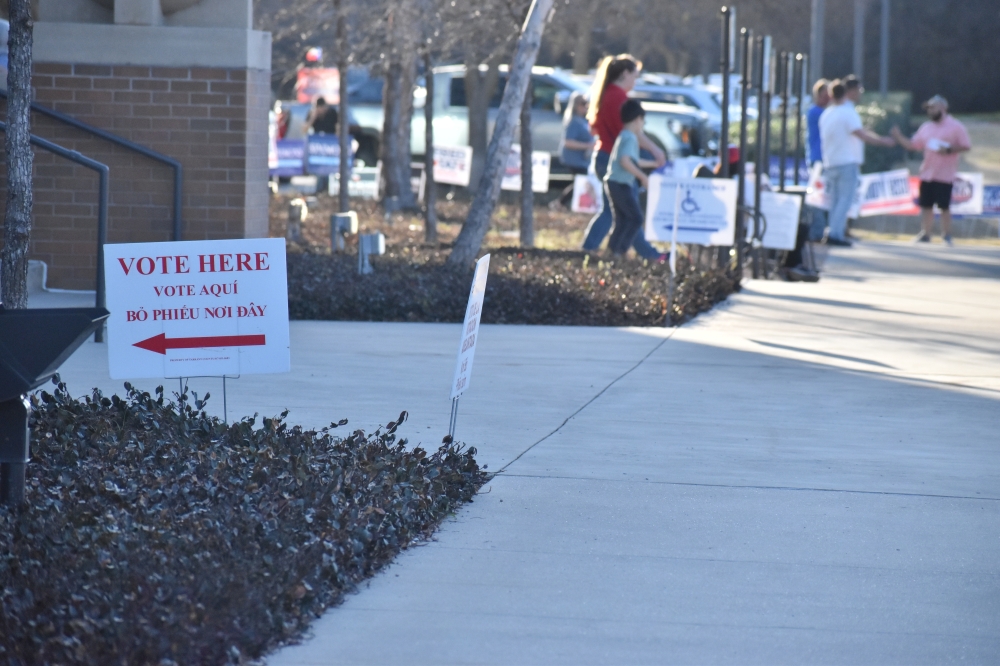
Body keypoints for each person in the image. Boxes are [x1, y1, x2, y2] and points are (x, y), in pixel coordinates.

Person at [581, 55, 667, 259]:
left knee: (620, 213)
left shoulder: (607, 94)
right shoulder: (618, 98)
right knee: (627, 213)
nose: (635, 82)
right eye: (634, 77)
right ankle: (607, 250)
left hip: (604, 156)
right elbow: (633, 133)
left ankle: (607, 250)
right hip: (612, 161)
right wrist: (655, 150)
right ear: (625, 74)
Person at [818, 76, 895, 247]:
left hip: (831, 162)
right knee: (844, 200)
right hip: (846, 162)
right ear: (847, 92)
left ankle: (833, 231)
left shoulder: (827, 113)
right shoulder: (847, 112)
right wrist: (884, 141)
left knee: (836, 201)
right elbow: (862, 135)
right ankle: (835, 234)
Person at [891, 95, 971, 246]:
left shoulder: (955, 126)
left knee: (944, 206)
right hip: (927, 173)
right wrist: (898, 136)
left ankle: (947, 235)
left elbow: (966, 145)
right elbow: (912, 145)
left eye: (933, 107)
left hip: (945, 175)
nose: (930, 111)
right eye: (929, 108)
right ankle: (926, 234)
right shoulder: (926, 127)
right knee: (926, 206)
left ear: (943, 108)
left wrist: (949, 149)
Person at [605, 100, 659, 255]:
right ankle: (619, 251)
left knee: (622, 220)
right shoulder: (630, 137)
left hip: (614, 182)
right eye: (643, 121)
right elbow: (625, 161)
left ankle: (612, 251)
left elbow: (632, 159)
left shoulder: (624, 135)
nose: (642, 125)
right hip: (621, 183)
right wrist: (643, 177)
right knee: (635, 218)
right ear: (637, 120)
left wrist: (653, 163)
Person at [554, 92, 595, 209]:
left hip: (582, 159)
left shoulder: (583, 120)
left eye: (587, 103)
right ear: (576, 105)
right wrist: (587, 145)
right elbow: (568, 142)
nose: (586, 106)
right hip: (573, 158)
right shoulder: (573, 121)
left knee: (579, 181)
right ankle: (560, 203)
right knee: (581, 180)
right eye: (583, 103)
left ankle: (561, 203)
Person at [805, 79, 830, 240]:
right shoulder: (816, 112)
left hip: (822, 158)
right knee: (818, 196)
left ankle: (819, 230)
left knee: (824, 196)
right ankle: (817, 231)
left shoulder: (822, 112)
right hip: (818, 159)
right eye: (825, 95)